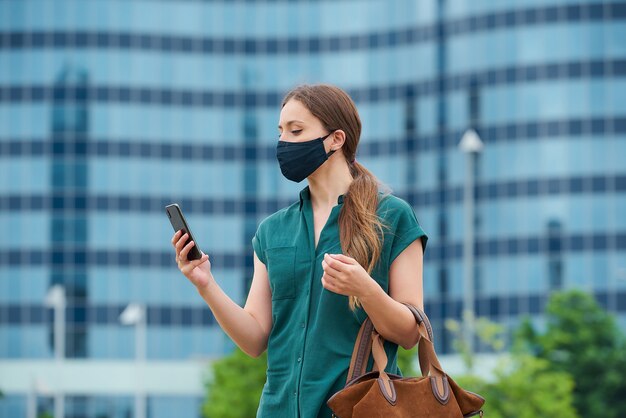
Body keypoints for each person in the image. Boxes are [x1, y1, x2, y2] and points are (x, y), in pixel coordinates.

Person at [172, 84, 428, 418]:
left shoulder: (392, 217)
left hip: (355, 410)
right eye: (281, 132)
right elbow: (254, 339)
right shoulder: (272, 230)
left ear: (336, 139)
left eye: (296, 131)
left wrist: (364, 288)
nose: (284, 143)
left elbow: (410, 332)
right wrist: (204, 283)